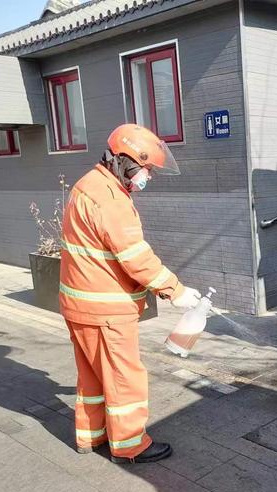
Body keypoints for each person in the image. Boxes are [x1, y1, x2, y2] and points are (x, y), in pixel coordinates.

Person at [59, 124, 201, 464]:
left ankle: (90, 437)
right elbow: (136, 257)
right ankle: (129, 444)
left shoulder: (88, 185)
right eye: (147, 168)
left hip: (80, 305)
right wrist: (175, 291)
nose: (148, 176)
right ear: (125, 162)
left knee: (92, 377)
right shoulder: (111, 200)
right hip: (107, 311)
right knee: (125, 379)